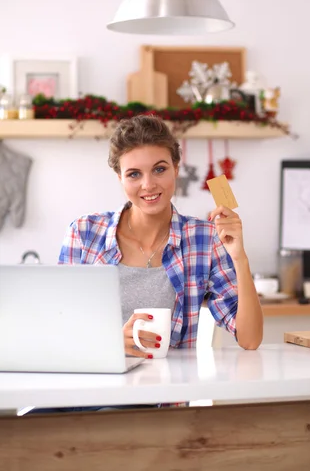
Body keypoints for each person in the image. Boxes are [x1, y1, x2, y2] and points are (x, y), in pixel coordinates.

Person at [59, 114, 263, 355]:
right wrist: (109, 340)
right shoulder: (84, 233)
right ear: (120, 179)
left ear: (176, 169)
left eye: (159, 169)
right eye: (134, 174)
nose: (148, 184)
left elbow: (250, 339)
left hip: (172, 389)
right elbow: (61, 328)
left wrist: (240, 257)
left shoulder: (204, 239)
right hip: (100, 389)